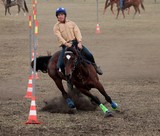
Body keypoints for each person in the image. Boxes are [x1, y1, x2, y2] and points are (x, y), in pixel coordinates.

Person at [53, 7, 103, 76]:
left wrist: (79, 42)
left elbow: (77, 32)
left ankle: (95, 66)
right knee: (60, 65)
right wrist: (66, 43)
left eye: (62, 14)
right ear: (57, 16)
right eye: (58, 15)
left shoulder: (72, 23)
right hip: (66, 46)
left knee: (89, 54)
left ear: (65, 15)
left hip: (75, 43)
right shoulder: (56, 27)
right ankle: (69, 80)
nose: (60, 16)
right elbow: (59, 36)